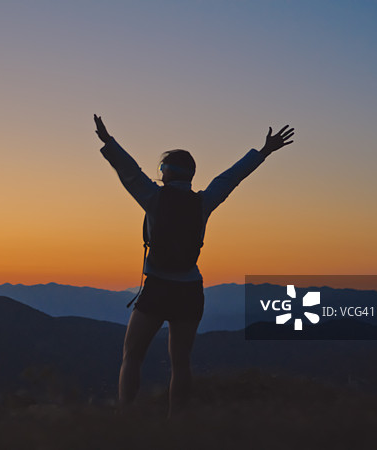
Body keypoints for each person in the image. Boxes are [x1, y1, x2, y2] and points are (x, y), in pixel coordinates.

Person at [94, 114, 294, 416]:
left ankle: (125, 419)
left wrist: (109, 142)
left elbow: (129, 171)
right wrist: (263, 151)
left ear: (166, 172)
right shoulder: (204, 202)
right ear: (190, 175)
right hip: (190, 290)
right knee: (181, 362)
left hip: (158, 287)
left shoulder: (153, 197)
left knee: (132, 357)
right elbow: (231, 177)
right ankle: (179, 427)